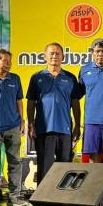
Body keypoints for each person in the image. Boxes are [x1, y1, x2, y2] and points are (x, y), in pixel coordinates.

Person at [27, 43, 81, 184]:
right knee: (44, 168)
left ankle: (63, 195)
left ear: (63, 57)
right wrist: (31, 124)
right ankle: (43, 196)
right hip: (43, 129)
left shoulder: (70, 78)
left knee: (65, 168)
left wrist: (77, 125)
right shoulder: (36, 77)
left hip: (65, 130)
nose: (54, 56)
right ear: (45, 56)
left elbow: (75, 103)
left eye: (58, 53)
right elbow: (31, 102)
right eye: (51, 53)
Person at [0, 49, 27, 206]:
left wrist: (22, 121)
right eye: (5, 61)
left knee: (15, 162)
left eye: (10, 61)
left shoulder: (15, 78)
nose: (9, 64)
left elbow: (19, 101)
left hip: (13, 127)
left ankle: (15, 197)